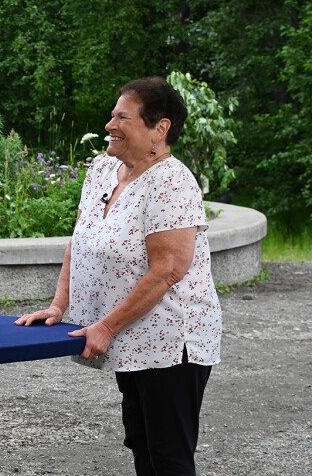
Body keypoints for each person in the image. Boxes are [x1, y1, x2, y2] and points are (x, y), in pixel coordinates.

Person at [16, 77, 222, 476]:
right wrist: (60, 305)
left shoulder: (172, 182)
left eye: (122, 118)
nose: (110, 125)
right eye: (112, 115)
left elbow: (168, 271)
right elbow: (80, 240)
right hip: (133, 335)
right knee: (140, 441)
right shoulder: (103, 169)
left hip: (172, 341)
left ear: (159, 130)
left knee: (168, 455)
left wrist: (106, 327)